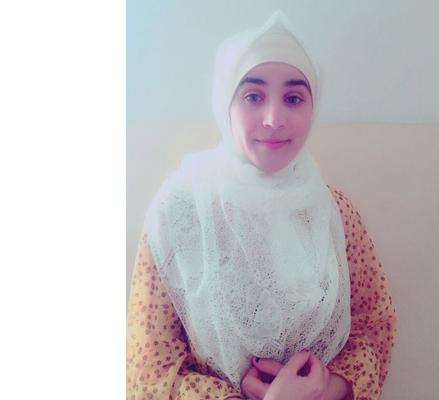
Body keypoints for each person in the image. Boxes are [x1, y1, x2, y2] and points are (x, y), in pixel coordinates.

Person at [126, 11, 396, 400]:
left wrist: (327, 390)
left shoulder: (333, 212)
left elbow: (375, 324)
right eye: (253, 96)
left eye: (293, 98)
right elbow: (147, 369)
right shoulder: (180, 213)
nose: (274, 119)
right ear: (225, 102)